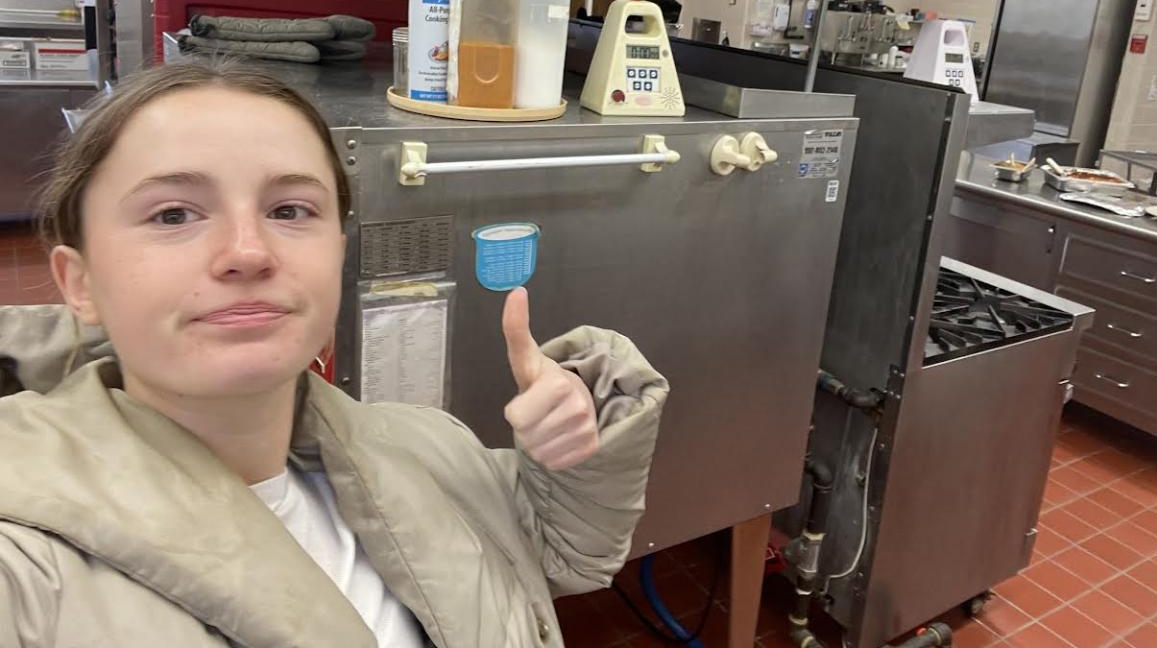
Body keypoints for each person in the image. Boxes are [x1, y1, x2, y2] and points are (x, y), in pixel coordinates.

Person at [0, 59, 669, 647]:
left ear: (338, 254)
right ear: (78, 283)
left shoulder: (424, 443)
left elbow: (569, 556)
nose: (248, 252)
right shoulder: (28, 561)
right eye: (173, 214)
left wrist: (576, 450)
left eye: (290, 210)